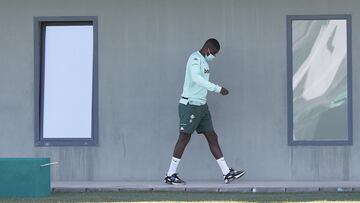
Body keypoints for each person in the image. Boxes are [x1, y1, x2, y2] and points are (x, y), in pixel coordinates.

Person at [164, 38, 245, 185]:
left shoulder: (204, 61)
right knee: (184, 137)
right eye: (213, 52)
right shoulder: (194, 58)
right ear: (207, 48)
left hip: (202, 106)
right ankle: (170, 175)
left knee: (212, 136)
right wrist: (217, 88)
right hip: (190, 105)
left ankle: (227, 173)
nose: (213, 55)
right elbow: (196, 78)